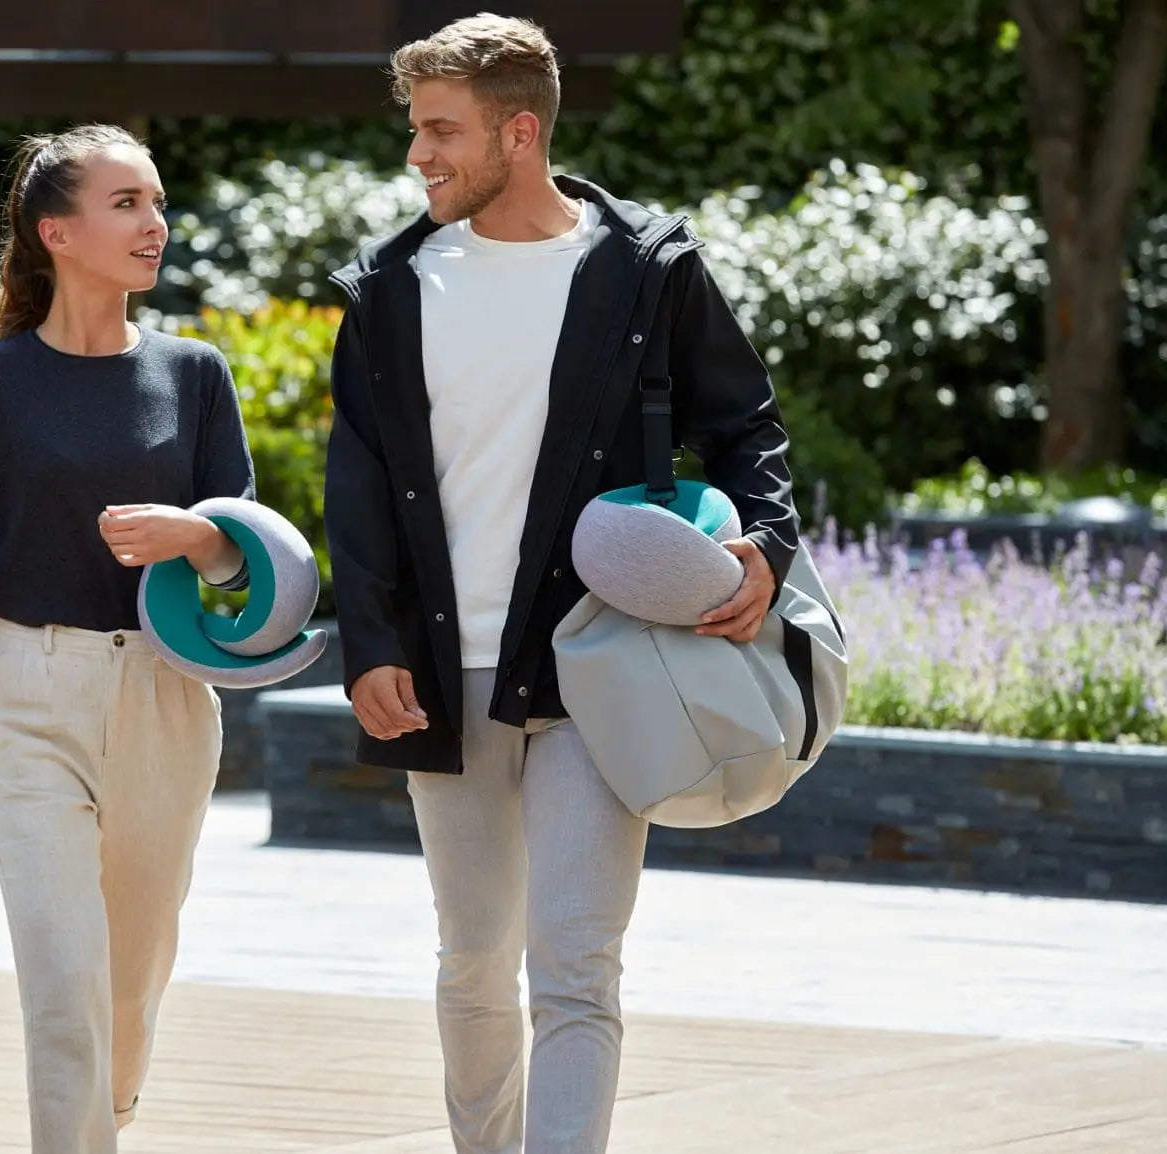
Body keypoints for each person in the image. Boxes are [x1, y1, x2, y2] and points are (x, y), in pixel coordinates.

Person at [322, 14, 801, 1154]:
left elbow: (746, 424)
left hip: (597, 658)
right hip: (443, 669)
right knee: (476, 956)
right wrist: (371, 640)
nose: (418, 156)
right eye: (415, 130)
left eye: (442, 131)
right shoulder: (391, 288)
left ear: (519, 130)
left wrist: (765, 547)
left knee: (577, 962)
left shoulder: (644, 271)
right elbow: (359, 477)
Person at [0, 124, 255, 1153]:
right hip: (28, 694)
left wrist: (197, 535)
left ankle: (114, 1113)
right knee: (61, 983)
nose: (156, 224)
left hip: (165, 695)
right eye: (127, 202)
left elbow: (244, 552)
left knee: (128, 983)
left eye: (157, 201)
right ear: (57, 231)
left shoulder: (194, 373)